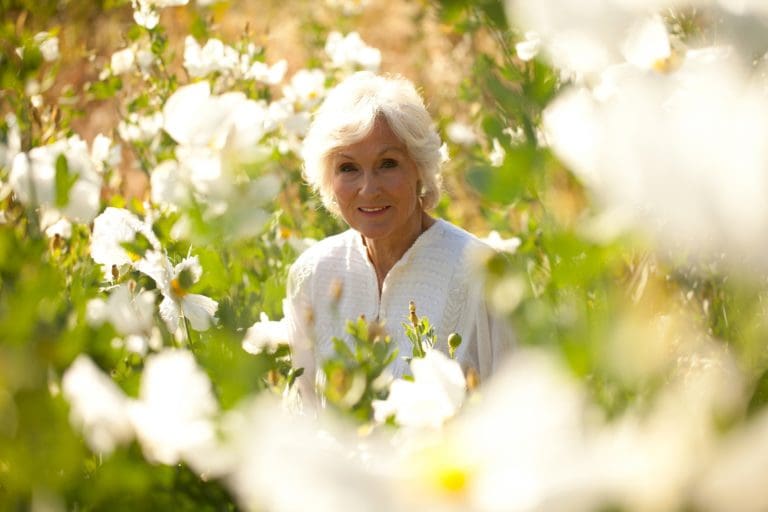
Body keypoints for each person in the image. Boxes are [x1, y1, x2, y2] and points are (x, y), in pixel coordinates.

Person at [284, 71, 513, 401]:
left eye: (387, 163)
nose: (369, 189)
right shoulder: (312, 273)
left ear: (420, 167)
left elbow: (520, 417)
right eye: (348, 168)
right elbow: (302, 415)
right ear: (328, 179)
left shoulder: (484, 273)